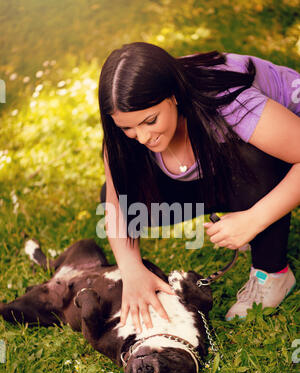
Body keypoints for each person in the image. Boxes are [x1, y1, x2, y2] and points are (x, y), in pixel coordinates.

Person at [98, 41, 299, 330]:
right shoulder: (126, 131)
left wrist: (254, 219)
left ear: (174, 96)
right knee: (120, 190)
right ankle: (243, 212)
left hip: (281, 153)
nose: (141, 137)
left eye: (150, 121)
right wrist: (131, 271)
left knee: (251, 157)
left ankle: (273, 272)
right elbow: (117, 203)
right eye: (127, 128)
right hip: (225, 167)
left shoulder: (228, 101)